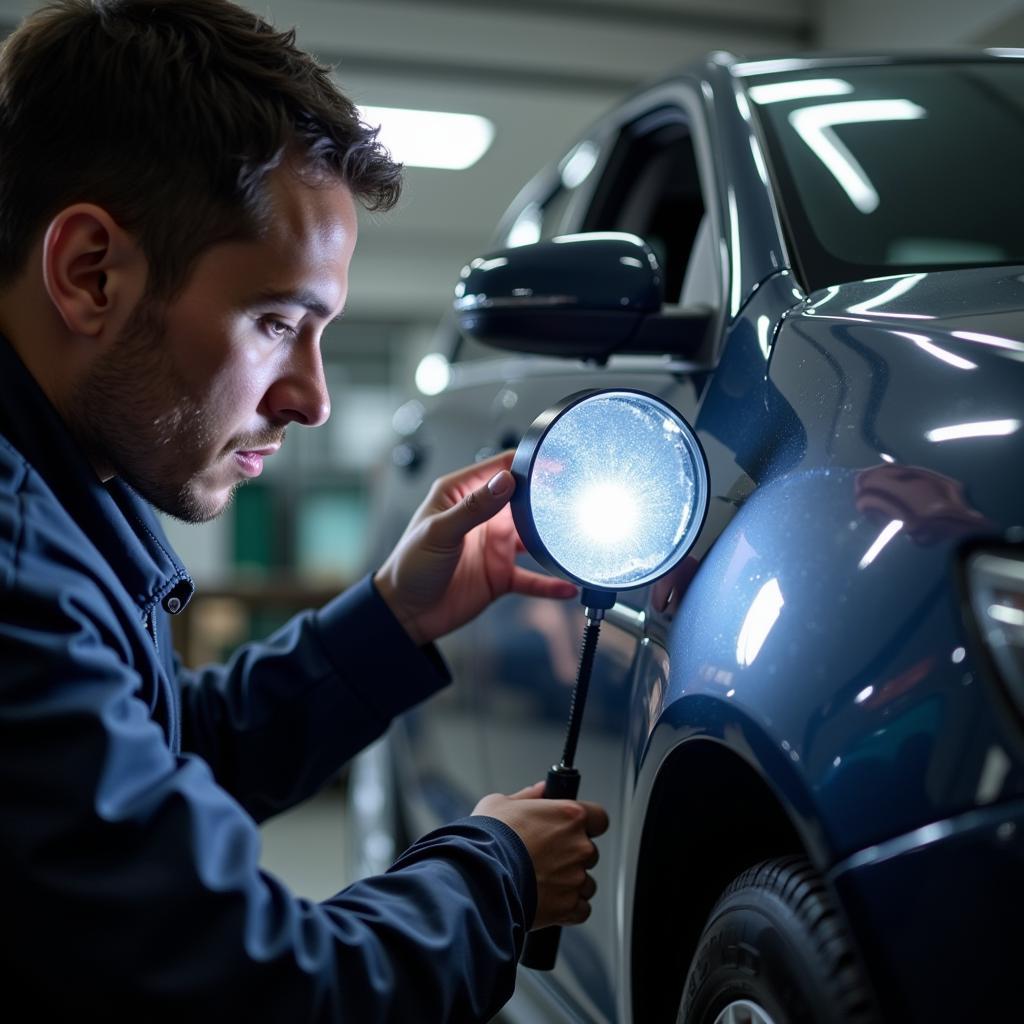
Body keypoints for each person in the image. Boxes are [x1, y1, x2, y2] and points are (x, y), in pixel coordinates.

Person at [0, 0, 609, 1019]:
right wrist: (494, 871)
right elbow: (261, 988)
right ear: (89, 273)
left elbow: (158, 758)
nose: (312, 399)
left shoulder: (68, 493)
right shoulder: (19, 572)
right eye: (277, 320)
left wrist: (393, 617)